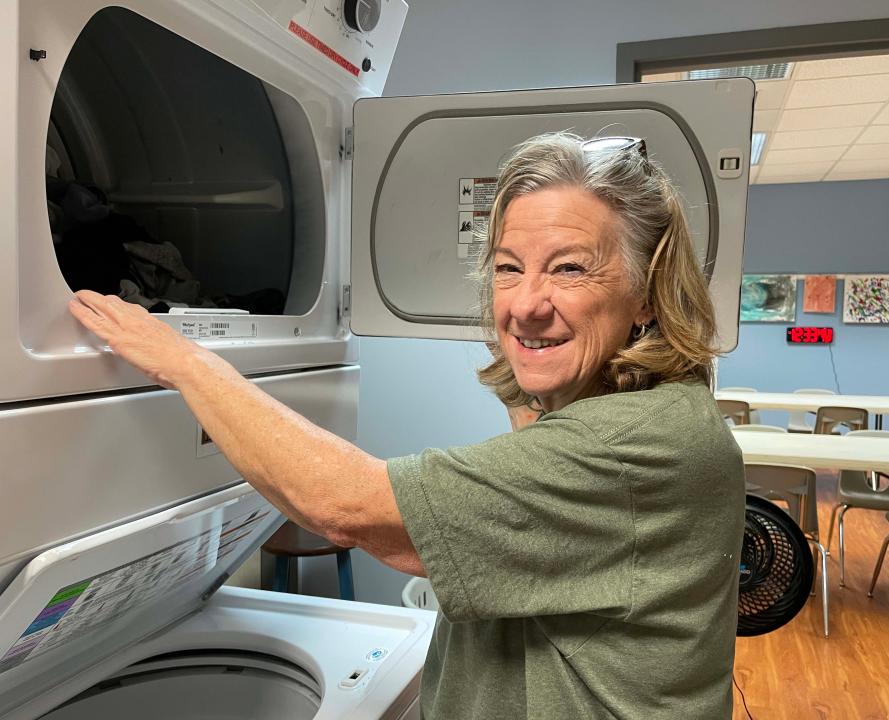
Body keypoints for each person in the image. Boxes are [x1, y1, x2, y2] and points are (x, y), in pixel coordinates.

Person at [70, 132, 745, 719]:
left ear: (648, 295)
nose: (526, 304)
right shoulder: (647, 412)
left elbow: (346, 507)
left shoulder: (630, 444)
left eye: (569, 269)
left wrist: (183, 360)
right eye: (508, 270)